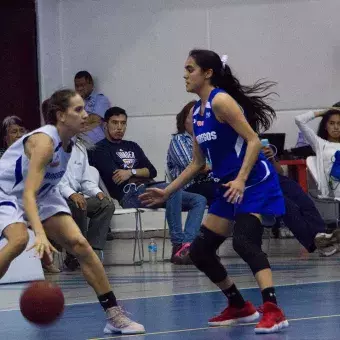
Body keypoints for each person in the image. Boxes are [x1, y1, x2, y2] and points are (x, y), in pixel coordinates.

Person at [140, 49, 288, 333]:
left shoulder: (221, 101)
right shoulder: (196, 112)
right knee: (200, 251)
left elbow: (254, 141)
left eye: (190, 68)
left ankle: (273, 309)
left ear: (207, 73)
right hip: (228, 187)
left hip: (253, 182)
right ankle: (238, 306)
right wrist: (167, 191)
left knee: (245, 243)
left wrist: (242, 179)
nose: (184, 74)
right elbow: (197, 163)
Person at [0, 89, 145, 335]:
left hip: (43, 194)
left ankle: (114, 315)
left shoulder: (74, 145)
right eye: (78, 109)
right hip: (8, 193)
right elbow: (26, 194)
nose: (86, 114)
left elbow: (39, 192)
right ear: (61, 116)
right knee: (19, 239)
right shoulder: (44, 143)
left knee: (81, 245)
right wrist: (41, 234)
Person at [89, 106, 207, 265]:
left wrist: (131, 173)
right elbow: (116, 176)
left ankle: (188, 246)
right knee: (173, 189)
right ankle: (178, 246)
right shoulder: (99, 149)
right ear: (105, 125)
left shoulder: (132, 146)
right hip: (129, 195)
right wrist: (138, 172)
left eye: (123, 123)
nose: (119, 127)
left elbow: (151, 171)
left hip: (151, 187)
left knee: (199, 199)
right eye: (115, 123)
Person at [262, 145, 338, 256]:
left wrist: (272, 159)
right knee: (286, 204)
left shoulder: (260, 143)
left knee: (298, 194)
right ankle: (316, 243)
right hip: (254, 183)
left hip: (274, 179)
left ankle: (320, 234)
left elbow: (280, 171)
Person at [59, 137, 115, 270]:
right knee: (79, 204)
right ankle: (75, 252)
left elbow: (85, 179)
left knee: (106, 205)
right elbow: (51, 179)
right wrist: (71, 194)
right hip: (55, 197)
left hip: (77, 195)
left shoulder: (80, 146)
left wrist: (97, 192)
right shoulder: (50, 143)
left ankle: (92, 251)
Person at [295, 107, 340, 247]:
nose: (336, 127)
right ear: (326, 125)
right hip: (333, 190)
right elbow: (299, 120)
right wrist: (324, 112)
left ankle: (334, 237)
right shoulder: (320, 144)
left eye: (339, 123)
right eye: (332, 123)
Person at [167, 101, 216, 205]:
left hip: (210, 182)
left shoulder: (206, 139)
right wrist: (215, 166)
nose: (198, 121)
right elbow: (194, 166)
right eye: (194, 117)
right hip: (188, 187)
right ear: (184, 121)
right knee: (221, 192)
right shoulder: (179, 139)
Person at [74, 71, 110, 144]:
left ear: (91, 84)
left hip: (98, 145)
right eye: (77, 86)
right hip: (79, 146)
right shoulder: (74, 103)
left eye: (82, 85)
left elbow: (95, 119)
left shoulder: (100, 99)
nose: (79, 88)